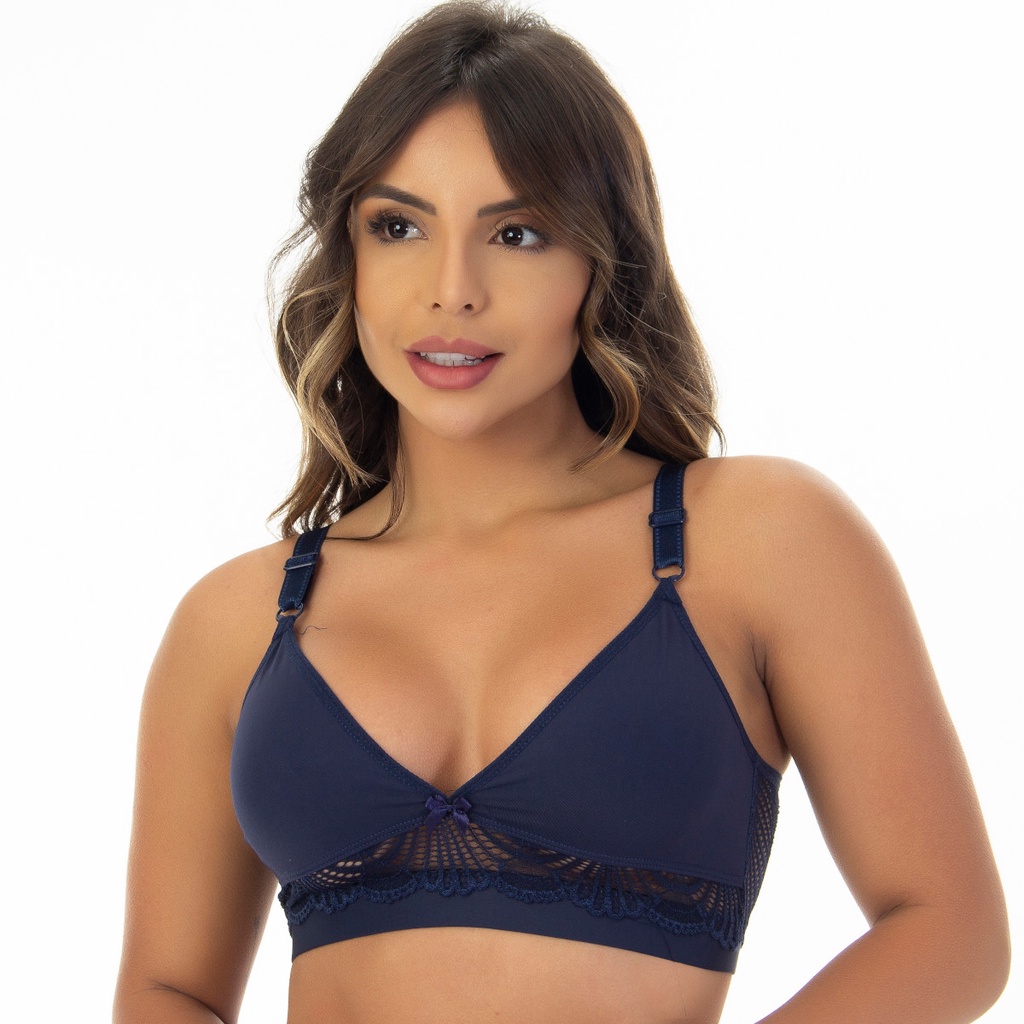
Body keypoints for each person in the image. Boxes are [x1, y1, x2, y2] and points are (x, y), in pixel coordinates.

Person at [113, 3, 1009, 1022]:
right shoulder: (237, 620)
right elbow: (167, 987)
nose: (452, 291)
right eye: (398, 226)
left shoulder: (758, 539)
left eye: (518, 233)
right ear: (345, 254)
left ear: (599, 259)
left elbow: (950, 931)